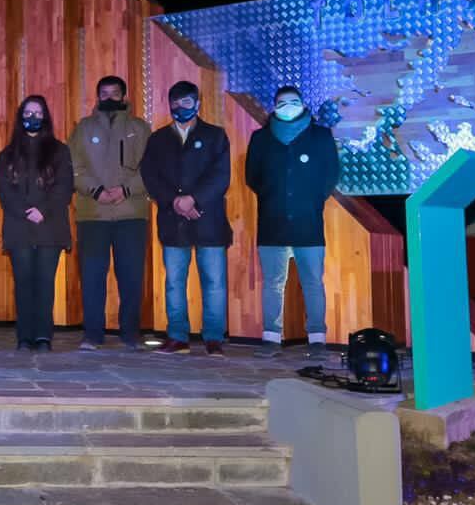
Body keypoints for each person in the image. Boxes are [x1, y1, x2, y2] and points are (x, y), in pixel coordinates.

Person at [245, 85, 341, 358]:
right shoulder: (260, 138)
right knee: (273, 282)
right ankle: (271, 337)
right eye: (282, 102)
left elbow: (330, 174)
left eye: (293, 101)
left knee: (312, 281)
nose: (288, 105)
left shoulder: (321, 136)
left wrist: (311, 200)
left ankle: (317, 339)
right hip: (272, 222)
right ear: (274, 106)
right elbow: (252, 177)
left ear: (302, 104)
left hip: (308, 222)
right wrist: (272, 196)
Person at [140, 81, 232, 356]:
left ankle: (214, 338)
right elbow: (150, 176)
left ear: (198, 104)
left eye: (186, 102)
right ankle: (177, 336)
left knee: (214, 282)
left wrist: (194, 200)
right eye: (175, 103)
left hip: (209, 220)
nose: (180, 108)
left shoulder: (216, 136)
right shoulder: (157, 139)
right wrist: (175, 202)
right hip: (173, 219)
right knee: (174, 281)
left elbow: (220, 177)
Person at [68, 76, 153, 350]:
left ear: (124, 96)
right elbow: (73, 167)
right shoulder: (83, 128)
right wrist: (96, 191)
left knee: (131, 276)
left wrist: (126, 190)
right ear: (97, 97)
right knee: (92, 276)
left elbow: (151, 167)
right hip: (93, 214)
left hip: (131, 213)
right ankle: (92, 334)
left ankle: (130, 334)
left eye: (114, 93)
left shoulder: (140, 128)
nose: (108, 98)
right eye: (103, 93)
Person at [0, 95, 73, 352]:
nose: (33, 117)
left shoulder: (60, 151)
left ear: (46, 117)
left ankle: (43, 336)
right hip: (19, 227)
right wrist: (25, 211)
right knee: (24, 282)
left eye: (38, 112)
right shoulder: (7, 154)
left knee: (44, 282)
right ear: (21, 116)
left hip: (50, 226)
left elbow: (64, 187)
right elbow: (4, 190)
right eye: (28, 112)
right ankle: (24, 337)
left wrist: (44, 210)